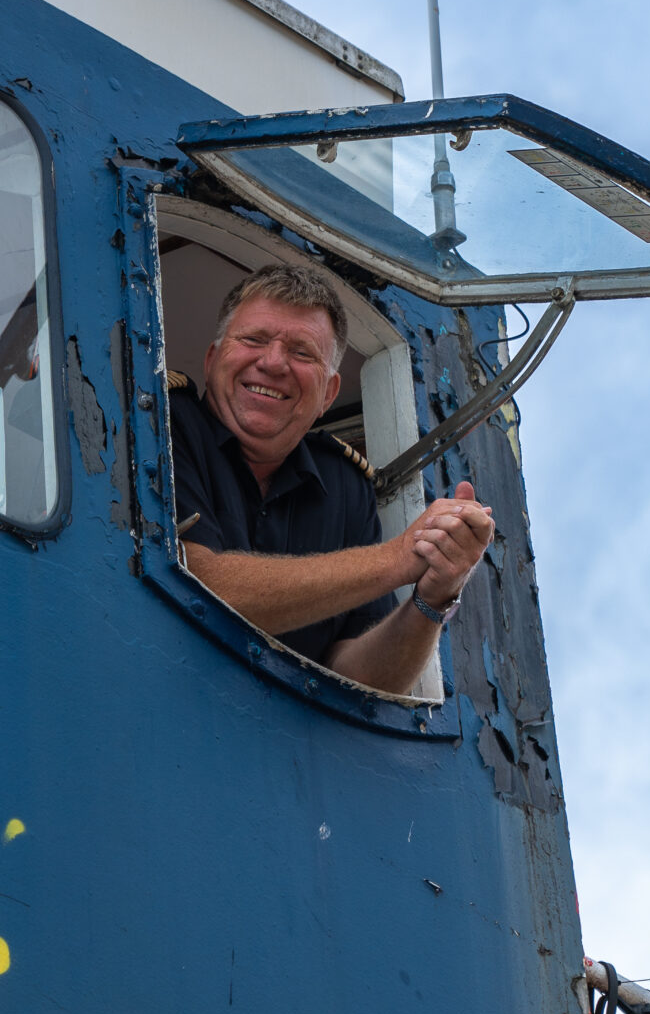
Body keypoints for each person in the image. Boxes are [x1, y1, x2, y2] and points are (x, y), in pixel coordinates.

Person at [168, 263, 495, 693]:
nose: (273, 363)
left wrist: (433, 596)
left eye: (302, 353)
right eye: (253, 340)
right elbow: (198, 584)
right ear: (212, 360)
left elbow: (363, 678)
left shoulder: (346, 485)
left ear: (328, 393)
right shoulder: (165, 422)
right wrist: (397, 558)